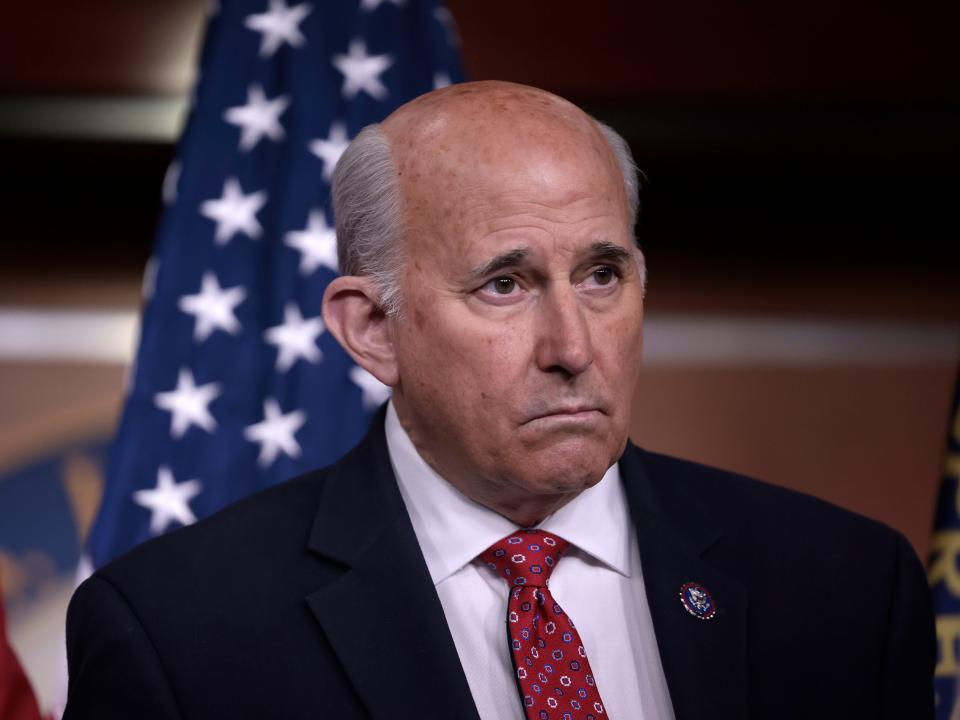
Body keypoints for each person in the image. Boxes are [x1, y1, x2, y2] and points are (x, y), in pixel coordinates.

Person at [63, 81, 935, 719]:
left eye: (602, 275)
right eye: (505, 285)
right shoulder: (179, 635)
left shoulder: (849, 589)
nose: (573, 348)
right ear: (372, 329)